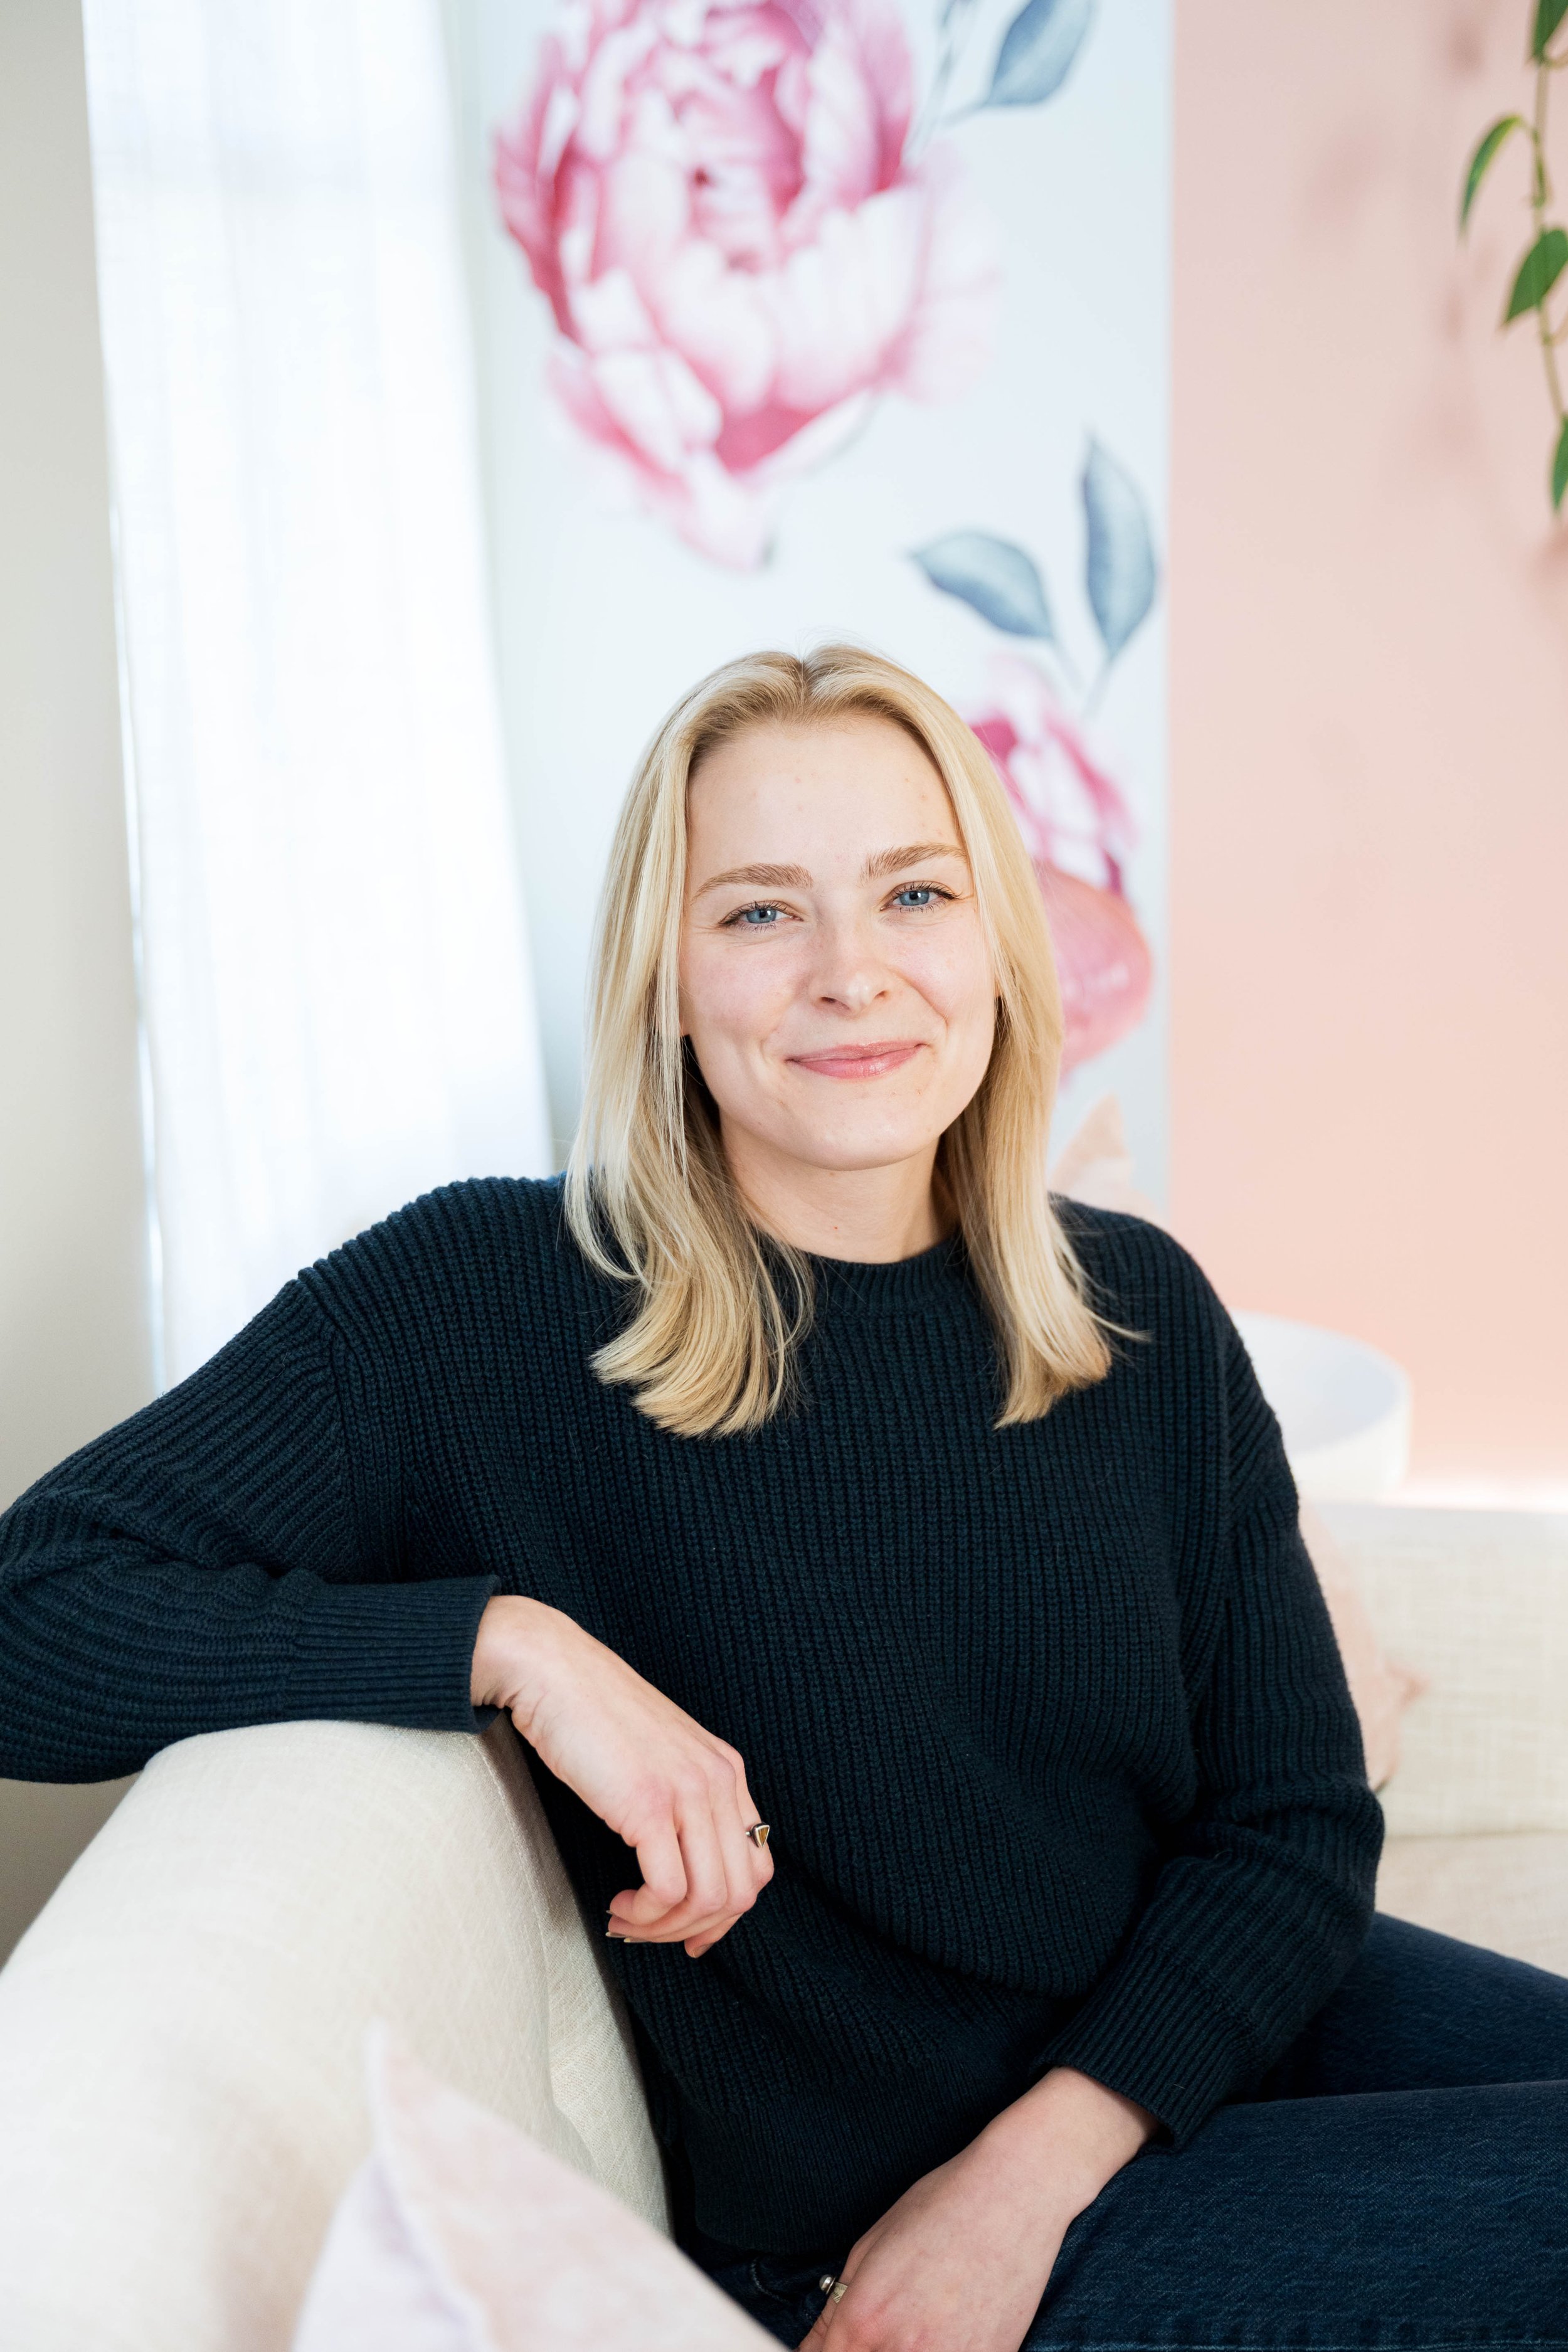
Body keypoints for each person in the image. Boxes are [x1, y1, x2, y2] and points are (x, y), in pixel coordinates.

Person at [1, 645, 1564, 2352]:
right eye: (758, 912)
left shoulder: (1139, 1313)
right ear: (665, 977)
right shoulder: (478, 1306)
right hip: (879, 2214)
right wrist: (512, 1647)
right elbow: (34, 1613)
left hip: (1164, 2061)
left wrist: (1030, 2175)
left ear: (994, 943)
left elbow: (1290, 1824)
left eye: (915, 893)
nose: (851, 974)